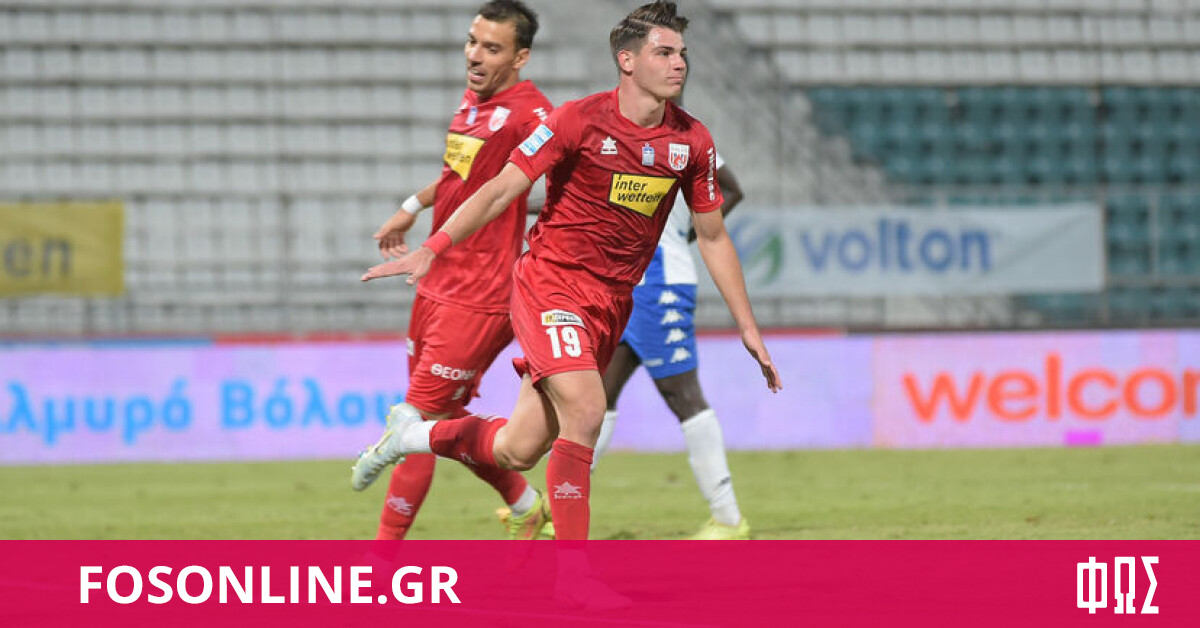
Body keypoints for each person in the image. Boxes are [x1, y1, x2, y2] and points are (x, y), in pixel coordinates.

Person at [352, 1, 780, 550]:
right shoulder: (576, 119)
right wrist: (433, 246)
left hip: (612, 300)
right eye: (664, 52)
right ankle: (573, 577)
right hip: (550, 285)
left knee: (518, 449)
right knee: (588, 408)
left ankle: (411, 435)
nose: (679, 63)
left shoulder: (691, 141)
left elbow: (714, 237)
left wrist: (747, 325)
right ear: (627, 61)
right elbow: (501, 189)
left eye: (681, 53)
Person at [360, 0, 554, 541]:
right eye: (472, 42)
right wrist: (412, 205)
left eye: (491, 48)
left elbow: (569, 169)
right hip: (436, 281)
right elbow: (459, 177)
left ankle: (381, 560)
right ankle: (525, 505)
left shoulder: (532, 113)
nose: (474, 55)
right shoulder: (472, 102)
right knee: (434, 424)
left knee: (414, 425)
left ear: (520, 58)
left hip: (480, 294)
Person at [593, 152, 749, 539]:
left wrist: (682, 234)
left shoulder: (686, 139)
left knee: (684, 395)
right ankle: (557, 504)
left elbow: (732, 189)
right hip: (626, 281)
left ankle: (729, 519)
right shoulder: (622, 134)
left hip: (660, 279)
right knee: (598, 396)